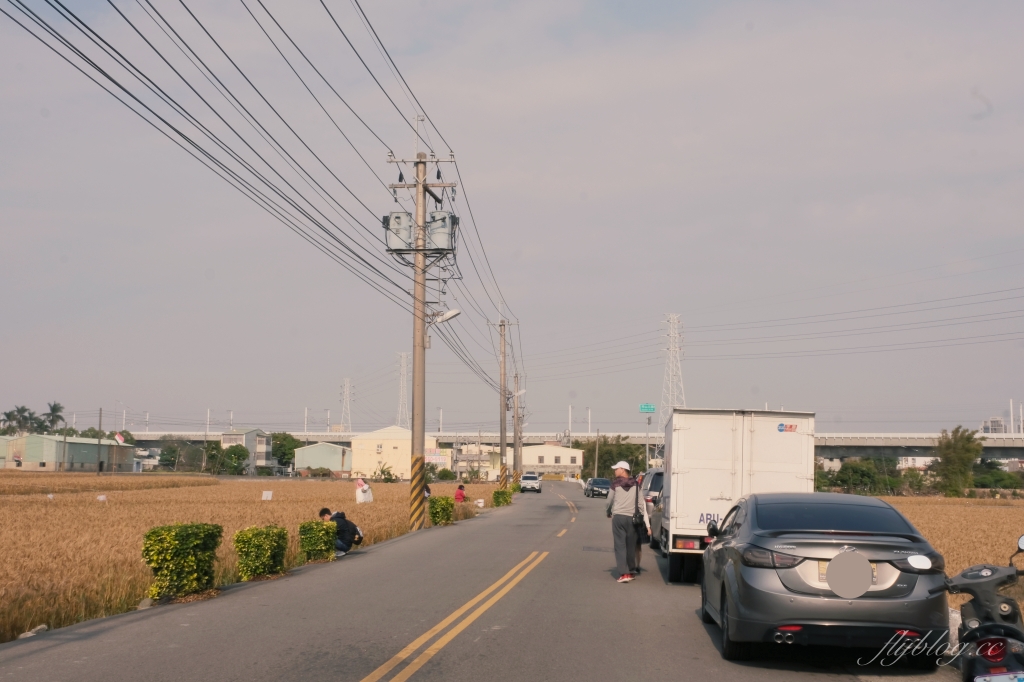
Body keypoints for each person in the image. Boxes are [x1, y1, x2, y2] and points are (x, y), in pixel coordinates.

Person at [605, 461, 650, 583]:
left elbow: (609, 501)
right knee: (631, 545)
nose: (615, 471)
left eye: (616, 469)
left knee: (620, 546)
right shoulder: (636, 484)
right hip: (632, 519)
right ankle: (631, 571)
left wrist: (608, 512)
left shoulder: (615, 484)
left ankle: (624, 574)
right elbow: (641, 503)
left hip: (619, 517)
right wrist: (642, 518)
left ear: (623, 470)